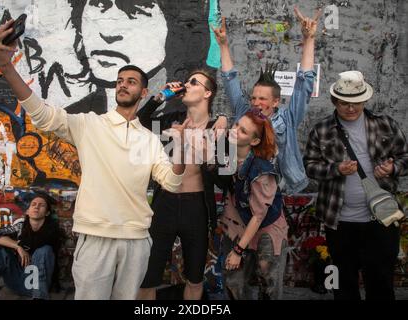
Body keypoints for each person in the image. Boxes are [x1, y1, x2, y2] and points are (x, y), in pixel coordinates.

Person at [0, 20, 186, 300]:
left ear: (143, 92)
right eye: (120, 81)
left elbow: (171, 182)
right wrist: (6, 66)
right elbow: (42, 115)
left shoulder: (149, 139)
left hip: (136, 240)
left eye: (131, 82)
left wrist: (180, 150)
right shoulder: (90, 125)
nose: (123, 85)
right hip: (96, 239)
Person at [303, 70, 408, 300]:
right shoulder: (321, 130)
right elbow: (309, 166)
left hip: (381, 220)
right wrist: (336, 169)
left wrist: (393, 168)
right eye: (344, 103)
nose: (351, 108)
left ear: (365, 100)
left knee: (381, 285)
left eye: (357, 103)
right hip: (339, 222)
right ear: (335, 101)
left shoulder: (385, 125)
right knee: (342, 285)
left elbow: (405, 157)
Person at [136, 70, 231, 300]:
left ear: (207, 93)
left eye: (193, 82)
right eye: (187, 81)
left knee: (195, 277)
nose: (187, 85)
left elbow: (227, 180)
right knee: (147, 276)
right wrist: (162, 96)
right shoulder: (172, 120)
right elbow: (141, 120)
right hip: (164, 203)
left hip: (196, 207)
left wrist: (209, 156)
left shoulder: (218, 128)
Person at [212, 7, 319, 194]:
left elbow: (304, 83)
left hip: (281, 189)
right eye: (253, 97)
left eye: (262, 98)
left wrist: (309, 39)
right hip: (244, 186)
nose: (255, 102)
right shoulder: (243, 112)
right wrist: (223, 45)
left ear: (276, 102)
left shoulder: (288, 119)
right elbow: (230, 79)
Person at [64, 0, 213, 114]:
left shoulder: (176, 121)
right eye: (99, 3)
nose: (108, 33)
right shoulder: (76, 118)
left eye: (137, 10)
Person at [219, 109, 288, 300]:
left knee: (269, 282)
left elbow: (259, 215)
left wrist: (238, 250)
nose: (234, 131)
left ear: (255, 141)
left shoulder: (261, 170)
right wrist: (221, 118)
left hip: (267, 226)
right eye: (236, 125)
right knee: (234, 282)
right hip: (238, 222)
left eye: (242, 131)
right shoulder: (226, 151)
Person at [0, 193, 59, 300]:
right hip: (16, 280)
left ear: (47, 213)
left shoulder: (52, 231)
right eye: (33, 204)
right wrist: (18, 247)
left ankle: (39, 297)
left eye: (41, 205)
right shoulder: (20, 226)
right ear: (27, 211)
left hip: (38, 284)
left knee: (44, 250)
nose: (36, 206)